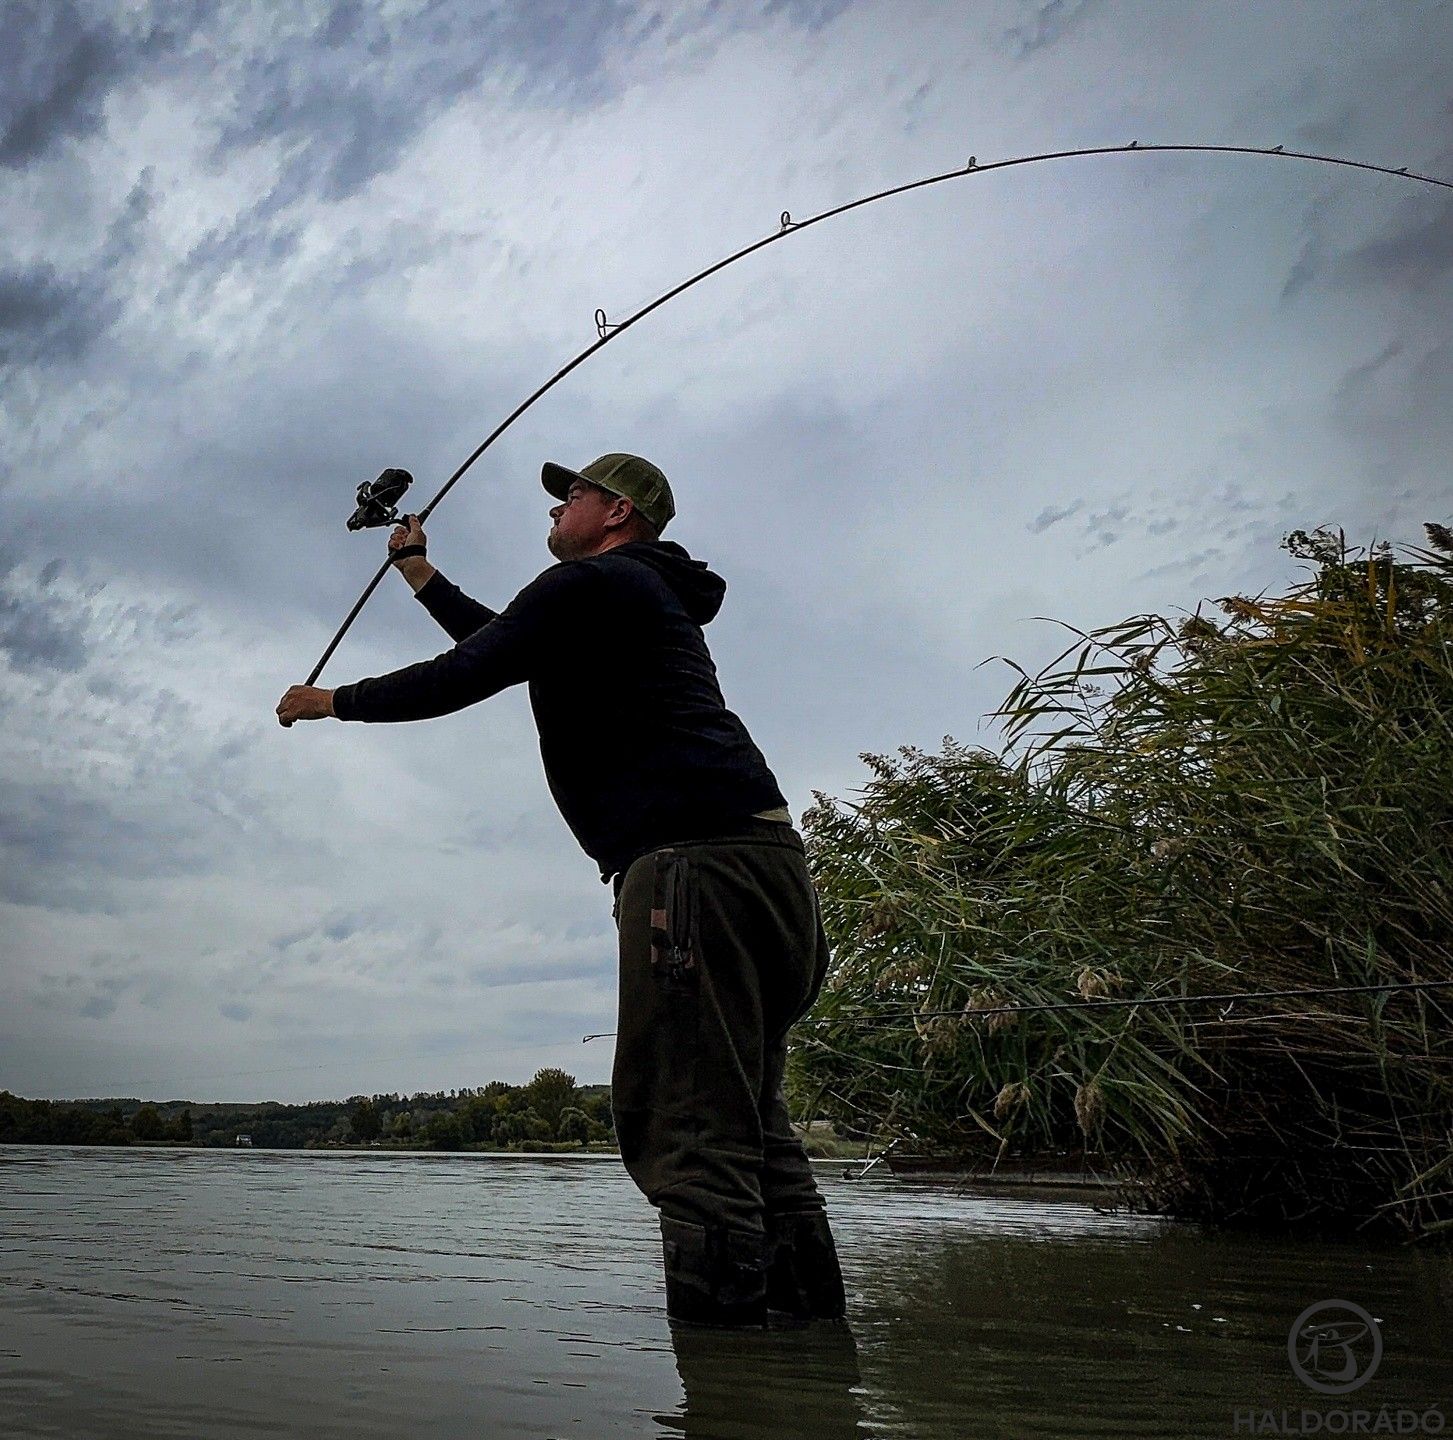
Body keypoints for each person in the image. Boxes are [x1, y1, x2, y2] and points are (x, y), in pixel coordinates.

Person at [276, 453, 847, 1330]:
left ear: (616, 512)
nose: (553, 509)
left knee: (691, 1134)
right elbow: (504, 641)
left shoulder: (592, 583)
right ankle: (809, 1367)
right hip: (763, 870)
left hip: (692, 872)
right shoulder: (633, 594)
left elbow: (470, 671)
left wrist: (333, 701)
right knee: (753, 1134)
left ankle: (732, 1383)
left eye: (568, 495)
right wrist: (418, 571)